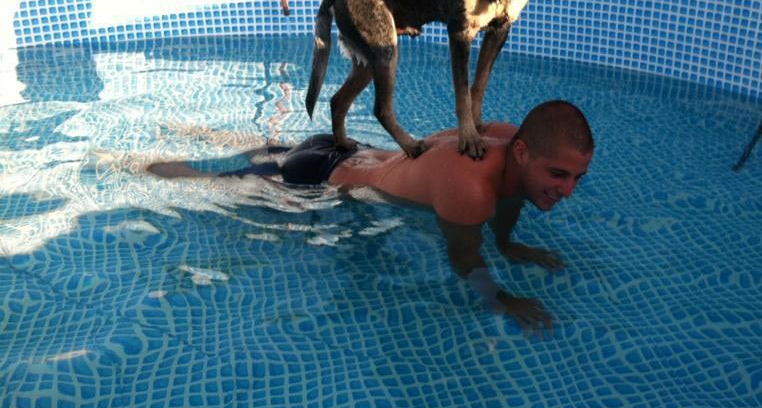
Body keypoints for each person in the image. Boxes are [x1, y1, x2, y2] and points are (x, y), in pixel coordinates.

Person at [147, 100, 594, 334]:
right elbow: (465, 263)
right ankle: (126, 163)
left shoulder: (504, 136)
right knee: (205, 181)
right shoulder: (470, 188)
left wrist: (508, 243)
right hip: (317, 180)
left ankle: (194, 131)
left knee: (269, 153)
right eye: (558, 175)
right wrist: (503, 299)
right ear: (523, 152)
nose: (567, 191)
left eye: (577, 177)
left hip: (346, 147)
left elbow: (514, 191)